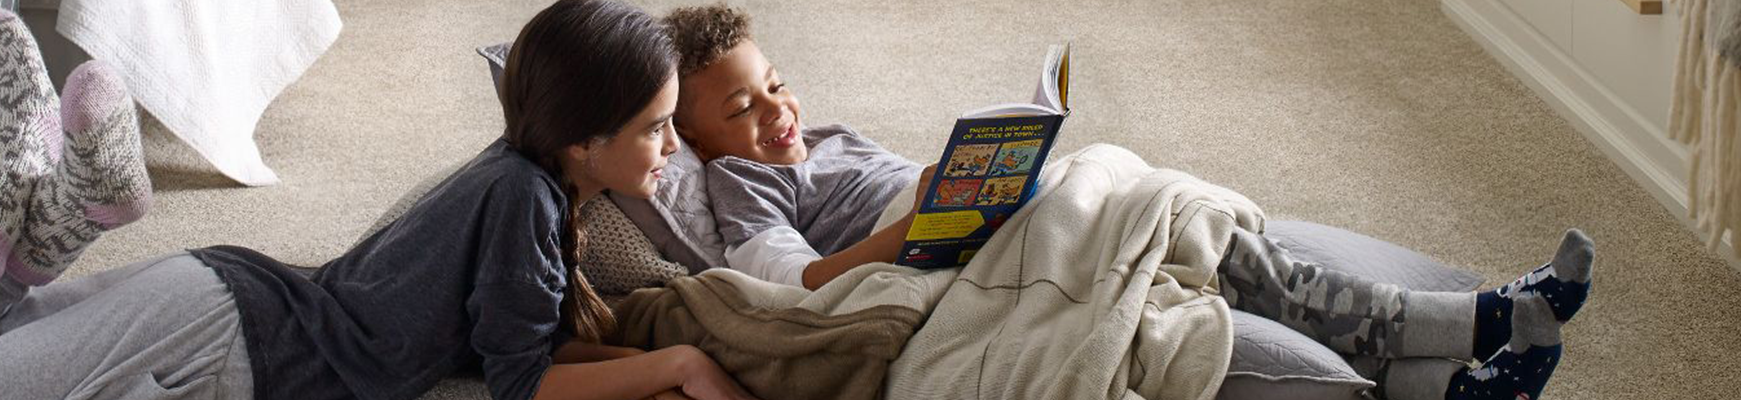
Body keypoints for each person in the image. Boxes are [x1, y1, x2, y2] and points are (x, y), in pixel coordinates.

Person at [658, 4, 1595, 399]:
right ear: (690, 137)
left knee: (1171, 219)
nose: (776, 112)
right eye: (741, 107)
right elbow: (799, 280)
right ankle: (1468, 327)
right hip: (935, 249)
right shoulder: (736, 188)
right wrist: (930, 218)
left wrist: (986, 166)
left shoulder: (818, 137)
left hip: (971, 216)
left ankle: (1459, 356)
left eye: (776, 83)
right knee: (1154, 238)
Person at [0, 2, 757, 400]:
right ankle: (1, 182)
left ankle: (70, 209)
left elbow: (516, 346)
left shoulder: (528, 181)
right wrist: (677, 366)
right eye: (655, 128)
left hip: (220, 306)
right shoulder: (524, 201)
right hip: (218, 342)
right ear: (582, 138)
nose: (672, 147)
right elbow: (529, 384)